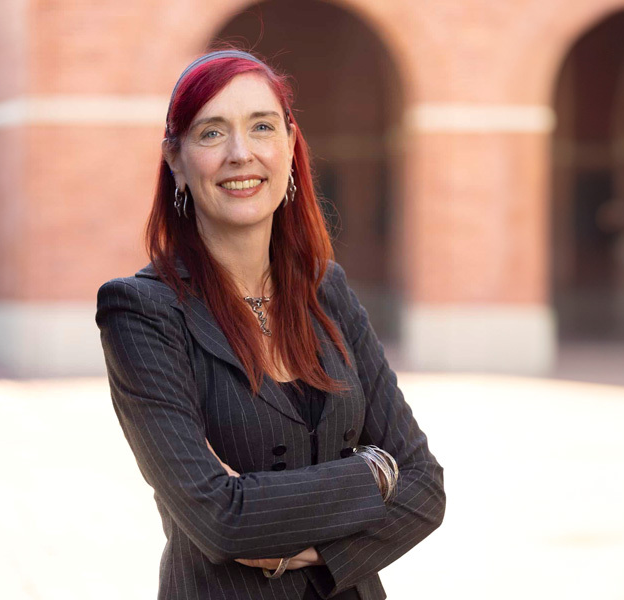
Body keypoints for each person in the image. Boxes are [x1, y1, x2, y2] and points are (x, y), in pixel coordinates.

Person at [96, 49, 445, 600]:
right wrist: (375, 473)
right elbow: (219, 518)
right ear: (176, 161)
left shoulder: (325, 288)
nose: (241, 154)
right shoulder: (141, 311)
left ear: (289, 144)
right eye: (211, 133)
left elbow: (425, 486)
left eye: (261, 126)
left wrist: (310, 551)